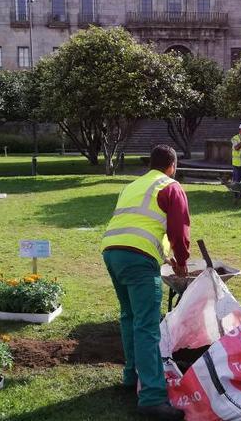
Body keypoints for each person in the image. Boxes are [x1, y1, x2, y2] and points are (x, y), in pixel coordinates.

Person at [100, 144, 190, 421]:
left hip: (112, 252)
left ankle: (131, 376)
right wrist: (182, 262)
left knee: (129, 317)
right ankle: (152, 397)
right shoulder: (171, 186)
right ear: (172, 166)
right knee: (147, 326)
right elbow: (179, 229)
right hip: (139, 260)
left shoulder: (132, 185)